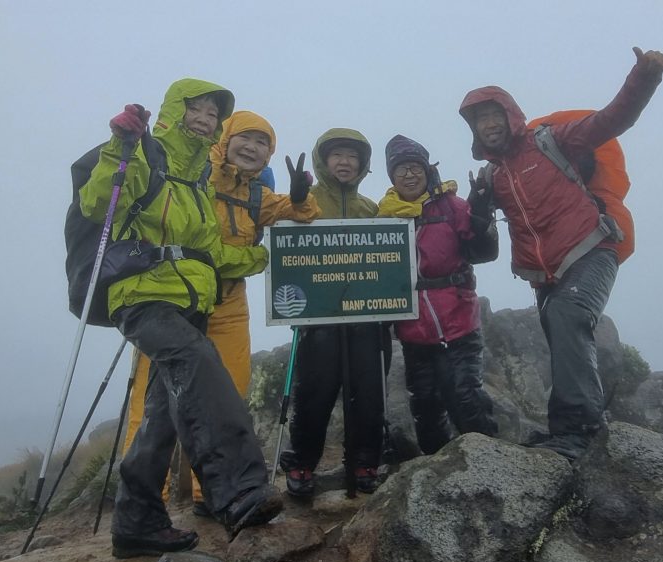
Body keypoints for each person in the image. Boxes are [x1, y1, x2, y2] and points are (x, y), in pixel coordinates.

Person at [79, 79, 283, 558]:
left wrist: (260, 259)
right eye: (199, 109)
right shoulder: (147, 157)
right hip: (142, 297)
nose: (206, 119)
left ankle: (136, 523)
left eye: (214, 114)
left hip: (188, 301)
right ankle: (237, 491)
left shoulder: (196, 184)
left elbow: (210, 253)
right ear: (177, 111)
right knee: (197, 360)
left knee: (161, 417)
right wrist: (121, 146)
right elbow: (97, 204)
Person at [458, 47, 663, 460]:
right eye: (478, 121)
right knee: (563, 332)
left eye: (492, 115)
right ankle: (576, 429)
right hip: (545, 273)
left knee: (567, 316)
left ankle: (577, 432)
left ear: (509, 115)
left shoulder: (550, 141)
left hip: (591, 247)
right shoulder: (494, 178)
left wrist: (645, 77)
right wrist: (479, 207)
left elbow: (611, 120)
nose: (487, 125)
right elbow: (480, 248)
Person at [122, 110, 319, 517]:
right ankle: (144, 503)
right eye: (245, 138)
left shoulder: (254, 194)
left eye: (262, 143)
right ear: (224, 140)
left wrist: (300, 198)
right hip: (178, 299)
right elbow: (206, 253)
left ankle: (209, 494)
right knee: (151, 403)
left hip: (229, 304)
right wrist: (257, 257)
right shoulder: (197, 177)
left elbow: (301, 214)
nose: (252, 147)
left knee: (229, 395)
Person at [279, 129, 392, 497]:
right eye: (337, 155)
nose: (345, 162)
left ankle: (364, 463)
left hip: (364, 319)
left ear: (363, 165)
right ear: (323, 161)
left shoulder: (369, 209)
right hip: (319, 319)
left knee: (368, 393)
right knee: (315, 392)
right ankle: (301, 465)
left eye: (352, 157)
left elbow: (388, 260)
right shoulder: (305, 202)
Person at [376, 135, 500, 454]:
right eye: (400, 169)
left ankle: (493, 462)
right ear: (391, 175)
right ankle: (436, 472)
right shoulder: (385, 216)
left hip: (459, 324)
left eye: (415, 167)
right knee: (426, 407)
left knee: (466, 399)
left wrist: (483, 218)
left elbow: (483, 253)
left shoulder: (452, 205)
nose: (408, 175)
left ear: (427, 169)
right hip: (414, 332)